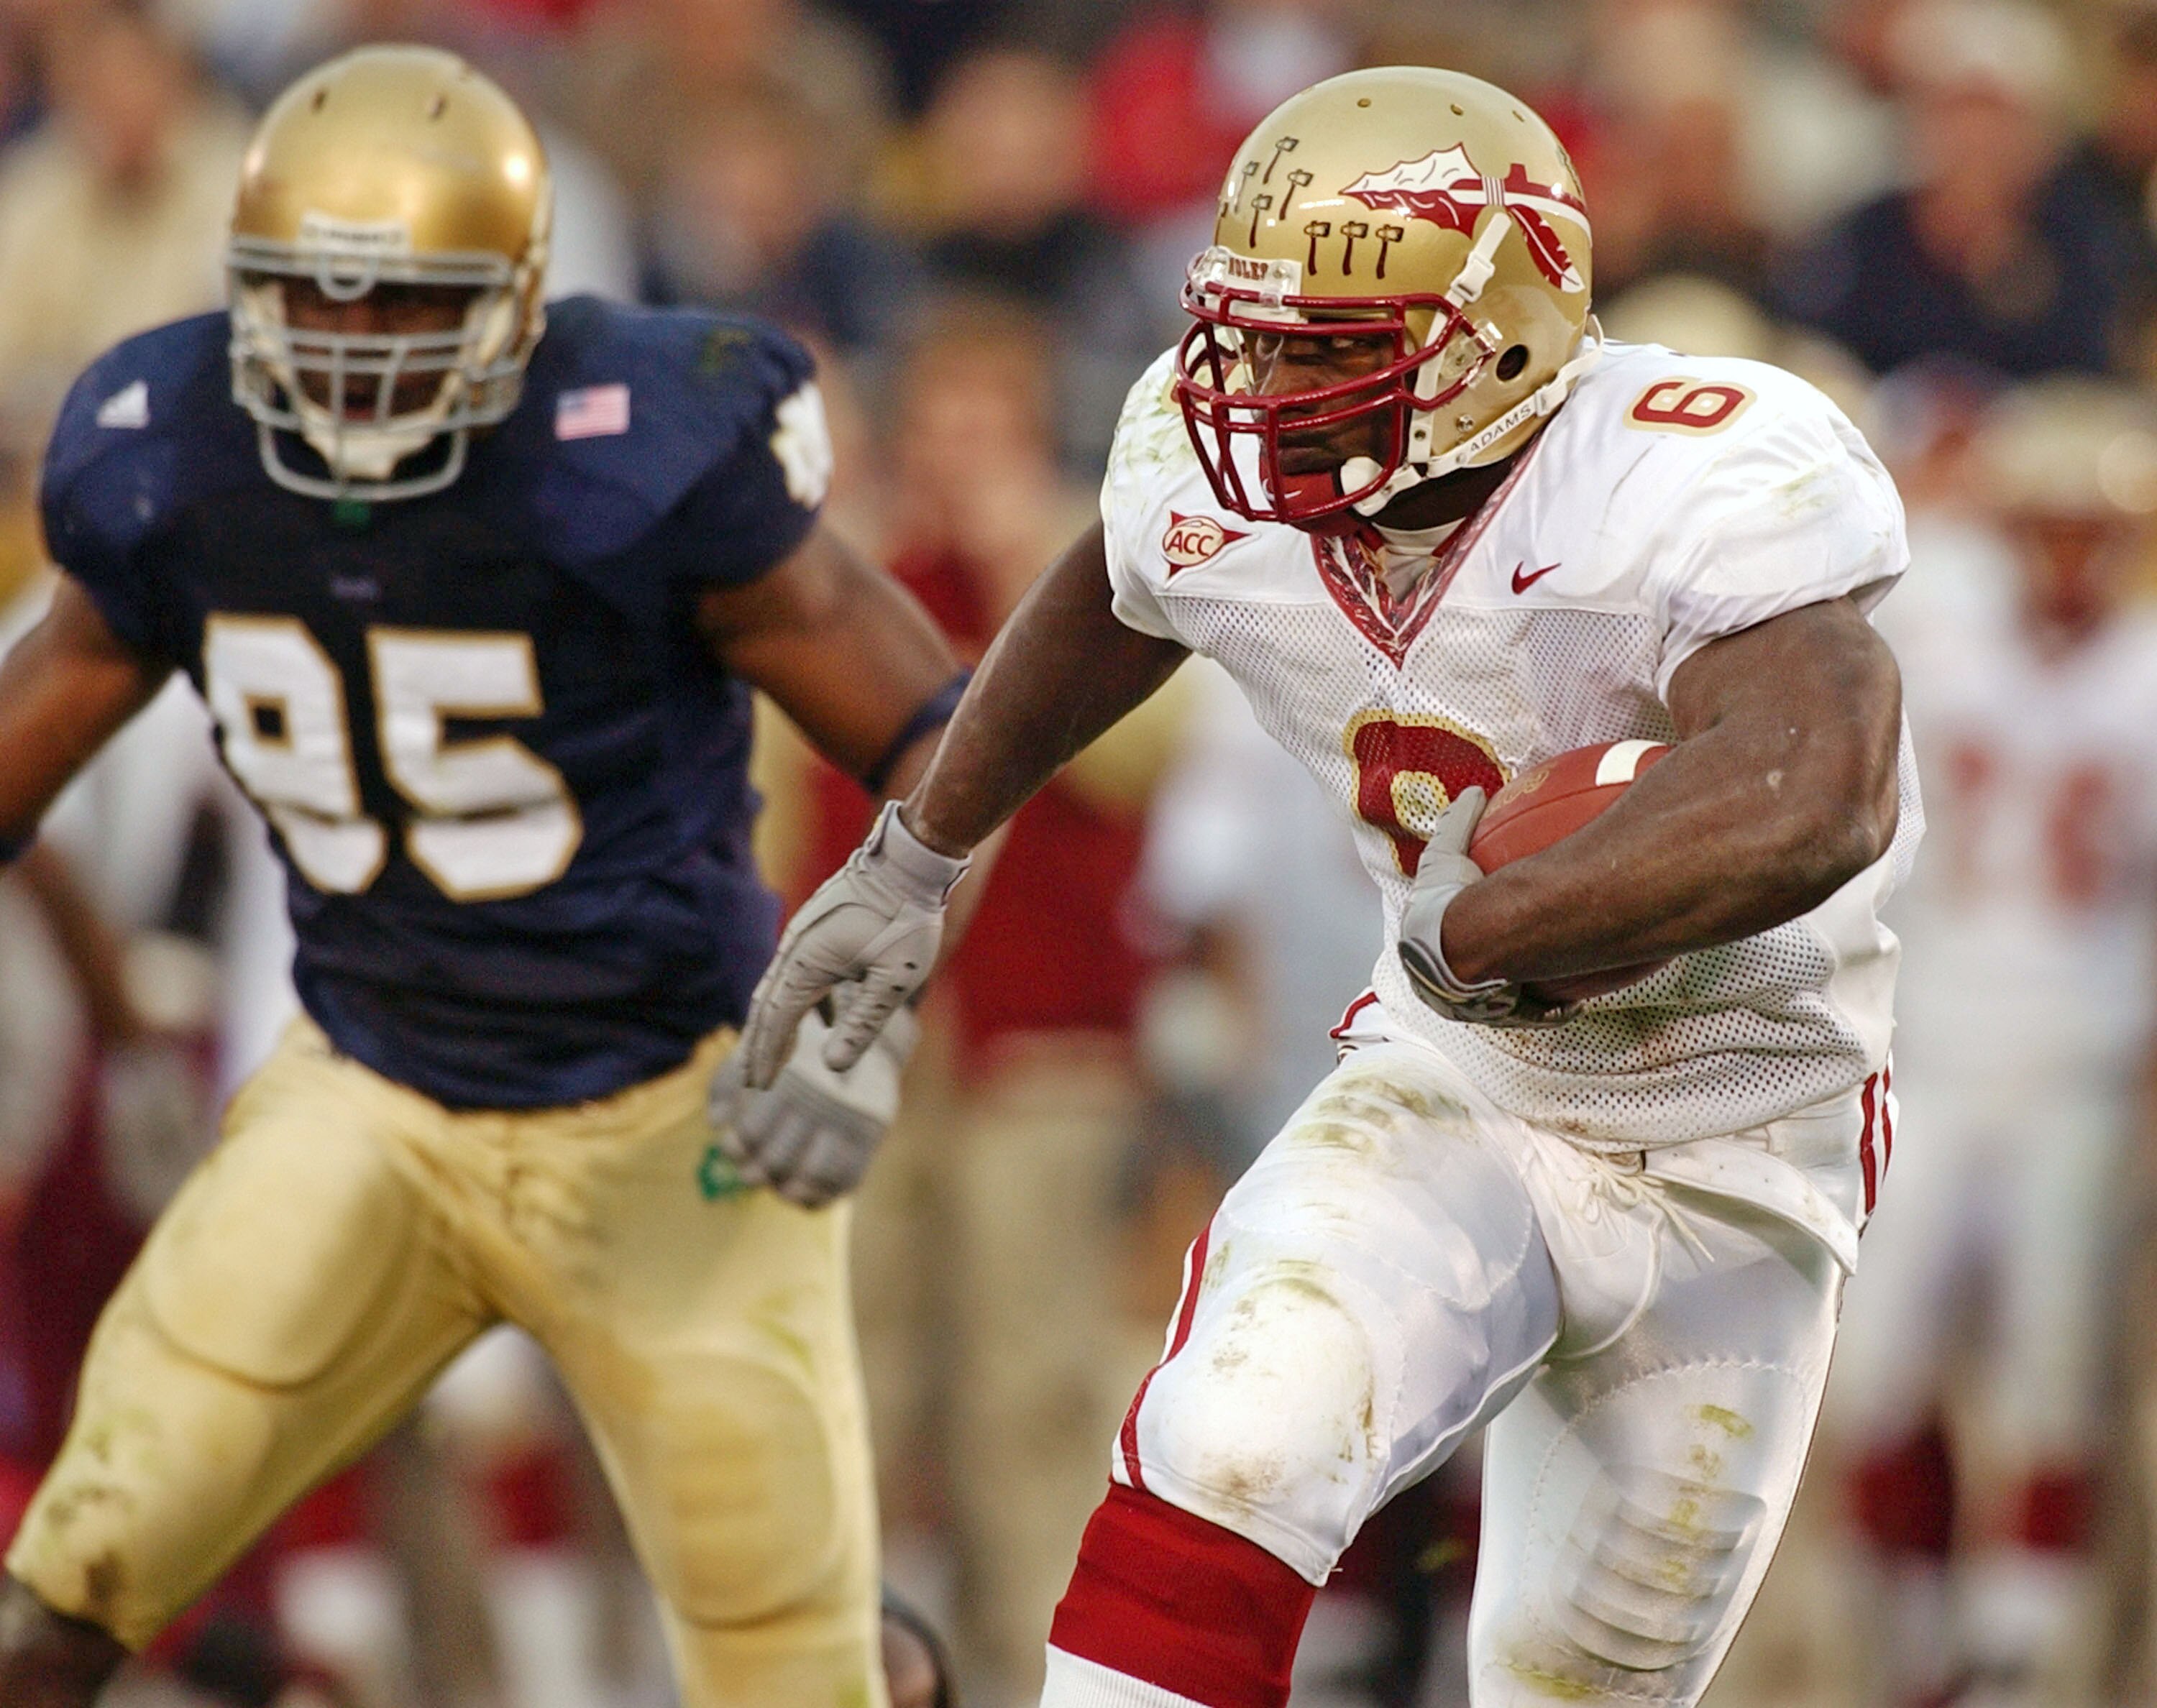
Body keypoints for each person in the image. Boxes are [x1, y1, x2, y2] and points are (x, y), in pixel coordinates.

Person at [727, 63, 1919, 1708]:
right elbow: (1122, 583)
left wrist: (1495, 921)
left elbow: (1820, 788)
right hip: (1461, 1074)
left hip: (1739, 1142)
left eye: (1326, 349)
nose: (1258, 384)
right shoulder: (1226, 467)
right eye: (1251, 331)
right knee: (1232, 1438)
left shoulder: (1680, 467)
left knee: (1576, 1679)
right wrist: (918, 847)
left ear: (1499, 332)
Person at [0, 45, 966, 1708]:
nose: (351, 355)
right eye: (310, 303)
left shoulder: (632, 449)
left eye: (405, 310)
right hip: (367, 1094)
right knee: (69, 1584)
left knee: (797, 1675)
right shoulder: (174, 459)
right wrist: (125, 1028)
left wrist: (860, 1006)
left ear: (520, 304)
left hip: (673, 1117)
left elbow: (951, 749)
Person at [1833, 378, 2157, 1707]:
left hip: (2084, 1071)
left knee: (2053, 1383)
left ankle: (2019, 1668)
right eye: (2048, 525)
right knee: (1874, 1382)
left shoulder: (2144, 676)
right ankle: (1922, 1660)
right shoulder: (1941, 618)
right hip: (1930, 1057)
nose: (2069, 555)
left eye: (2095, 530)